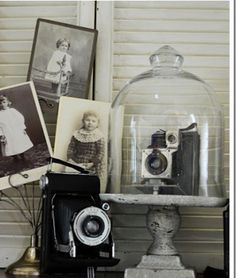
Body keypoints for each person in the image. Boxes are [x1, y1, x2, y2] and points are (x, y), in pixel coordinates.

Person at [66, 111, 105, 182]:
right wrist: (71, 159)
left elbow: (101, 153)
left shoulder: (99, 136)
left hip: (92, 165)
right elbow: (71, 148)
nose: (90, 123)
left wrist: (92, 163)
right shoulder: (77, 134)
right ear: (83, 121)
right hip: (77, 162)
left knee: (89, 183)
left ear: (97, 123)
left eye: (93, 121)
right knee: (76, 182)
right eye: (87, 120)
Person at [0, 95, 33, 163]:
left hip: (16, 130)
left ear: (8, 102)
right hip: (6, 132)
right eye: (0, 103)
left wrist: (22, 128)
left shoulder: (12, 111)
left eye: (4, 102)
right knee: (9, 145)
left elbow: (20, 118)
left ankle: (22, 155)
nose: (2, 104)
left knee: (19, 143)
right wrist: (1, 134)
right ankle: (15, 157)